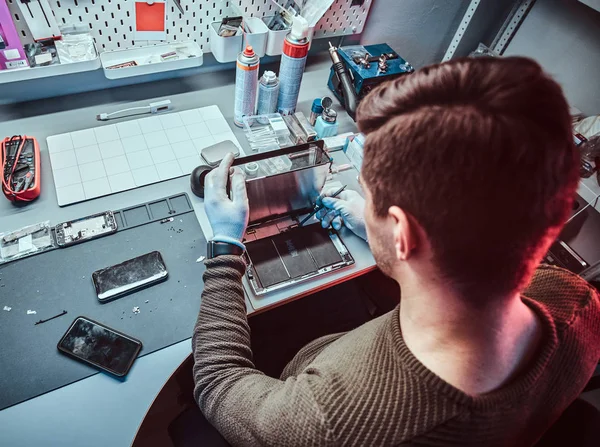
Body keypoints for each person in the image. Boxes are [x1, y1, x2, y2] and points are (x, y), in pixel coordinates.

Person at [192, 56, 600, 446]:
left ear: (405, 232)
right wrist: (382, 238)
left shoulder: (330, 421)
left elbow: (217, 380)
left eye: (367, 196)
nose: (365, 206)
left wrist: (226, 245)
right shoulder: (577, 301)